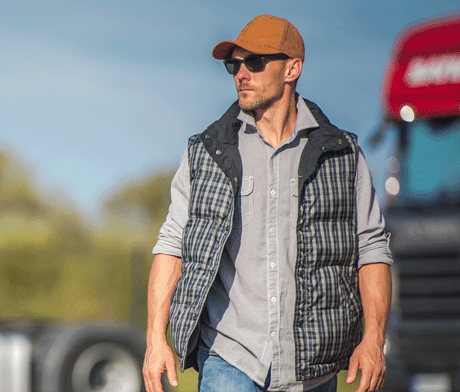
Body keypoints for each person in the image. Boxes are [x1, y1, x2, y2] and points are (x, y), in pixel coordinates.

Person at [142, 14, 392, 392]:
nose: (241, 74)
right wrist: (155, 339)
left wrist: (373, 340)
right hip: (228, 357)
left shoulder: (342, 154)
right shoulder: (207, 152)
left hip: (314, 368)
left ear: (292, 69)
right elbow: (172, 245)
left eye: (255, 62)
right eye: (234, 65)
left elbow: (371, 249)